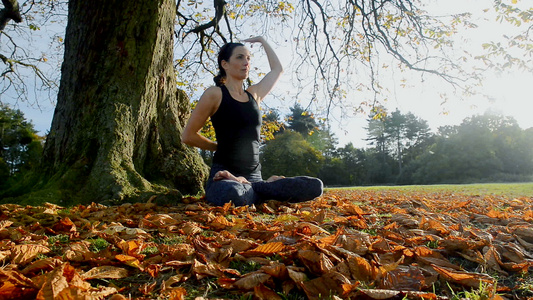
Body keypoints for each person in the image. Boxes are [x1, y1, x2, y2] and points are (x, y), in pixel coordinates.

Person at [181, 36, 323, 206]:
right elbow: (188, 136)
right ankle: (262, 188)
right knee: (234, 194)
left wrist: (263, 41)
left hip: (254, 176)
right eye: (240, 57)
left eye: (248, 58)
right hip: (224, 176)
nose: (246, 62)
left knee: (315, 186)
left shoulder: (254, 95)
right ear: (224, 64)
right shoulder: (215, 94)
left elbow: (277, 70)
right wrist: (218, 146)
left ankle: (256, 187)